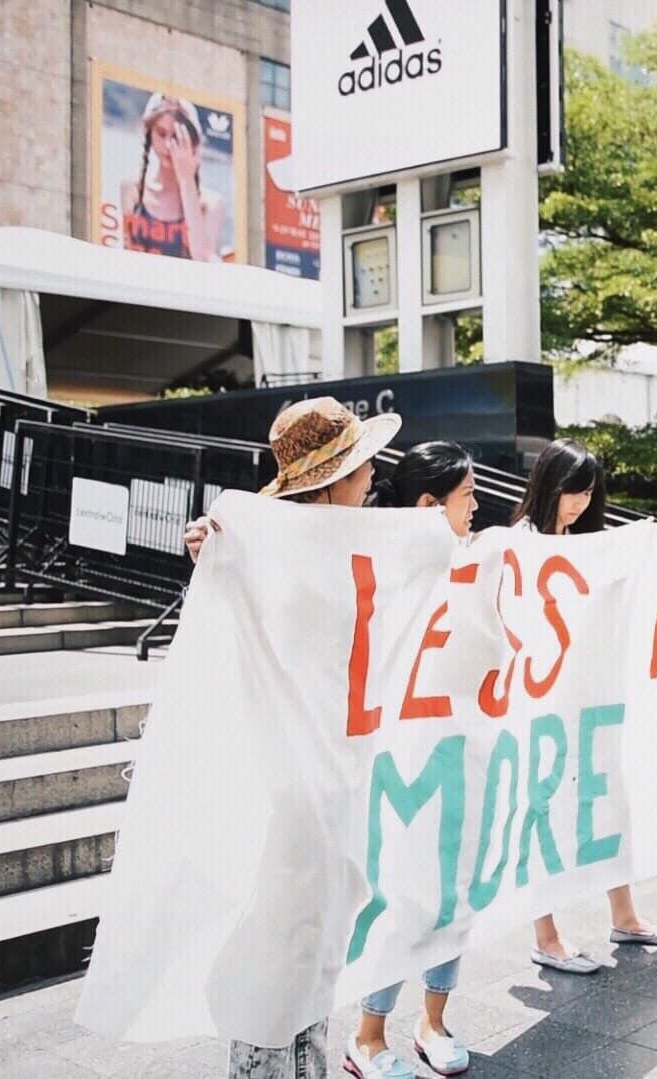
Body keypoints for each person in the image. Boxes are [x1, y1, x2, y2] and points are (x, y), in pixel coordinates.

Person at [183, 397, 404, 1079]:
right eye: (360, 465)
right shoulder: (282, 553)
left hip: (328, 778)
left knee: (311, 945)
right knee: (283, 946)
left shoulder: (339, 545)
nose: (371, 477)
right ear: (333, 478)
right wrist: (221, 551)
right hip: (294, 783)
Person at [513, 440, 657, 972]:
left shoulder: (585, 542)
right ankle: (545, 933)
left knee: (609, 799)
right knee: (541, 812)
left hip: (587, 698)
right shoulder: (521, 541)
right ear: (548, 485)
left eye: (588, 494)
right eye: (572, 491)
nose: (580, 503)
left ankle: (624, 915)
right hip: (538, 702)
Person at [349, 443, 480, 1078]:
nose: (477, 505)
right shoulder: (383, 558)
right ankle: (368, 1037)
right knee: (403, 890)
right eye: (466, 495)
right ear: (429, 505)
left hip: (455, 746)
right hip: (400, 756)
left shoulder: (472, 560)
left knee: (451, 892)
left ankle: (434, 1021)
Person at [120, 93, 227, 261]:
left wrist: (186, 180)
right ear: (150, 134)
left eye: (177, 136)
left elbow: (203, 260)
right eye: (161, 134)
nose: (168, 145)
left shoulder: (211, 203)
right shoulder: (131, 188)